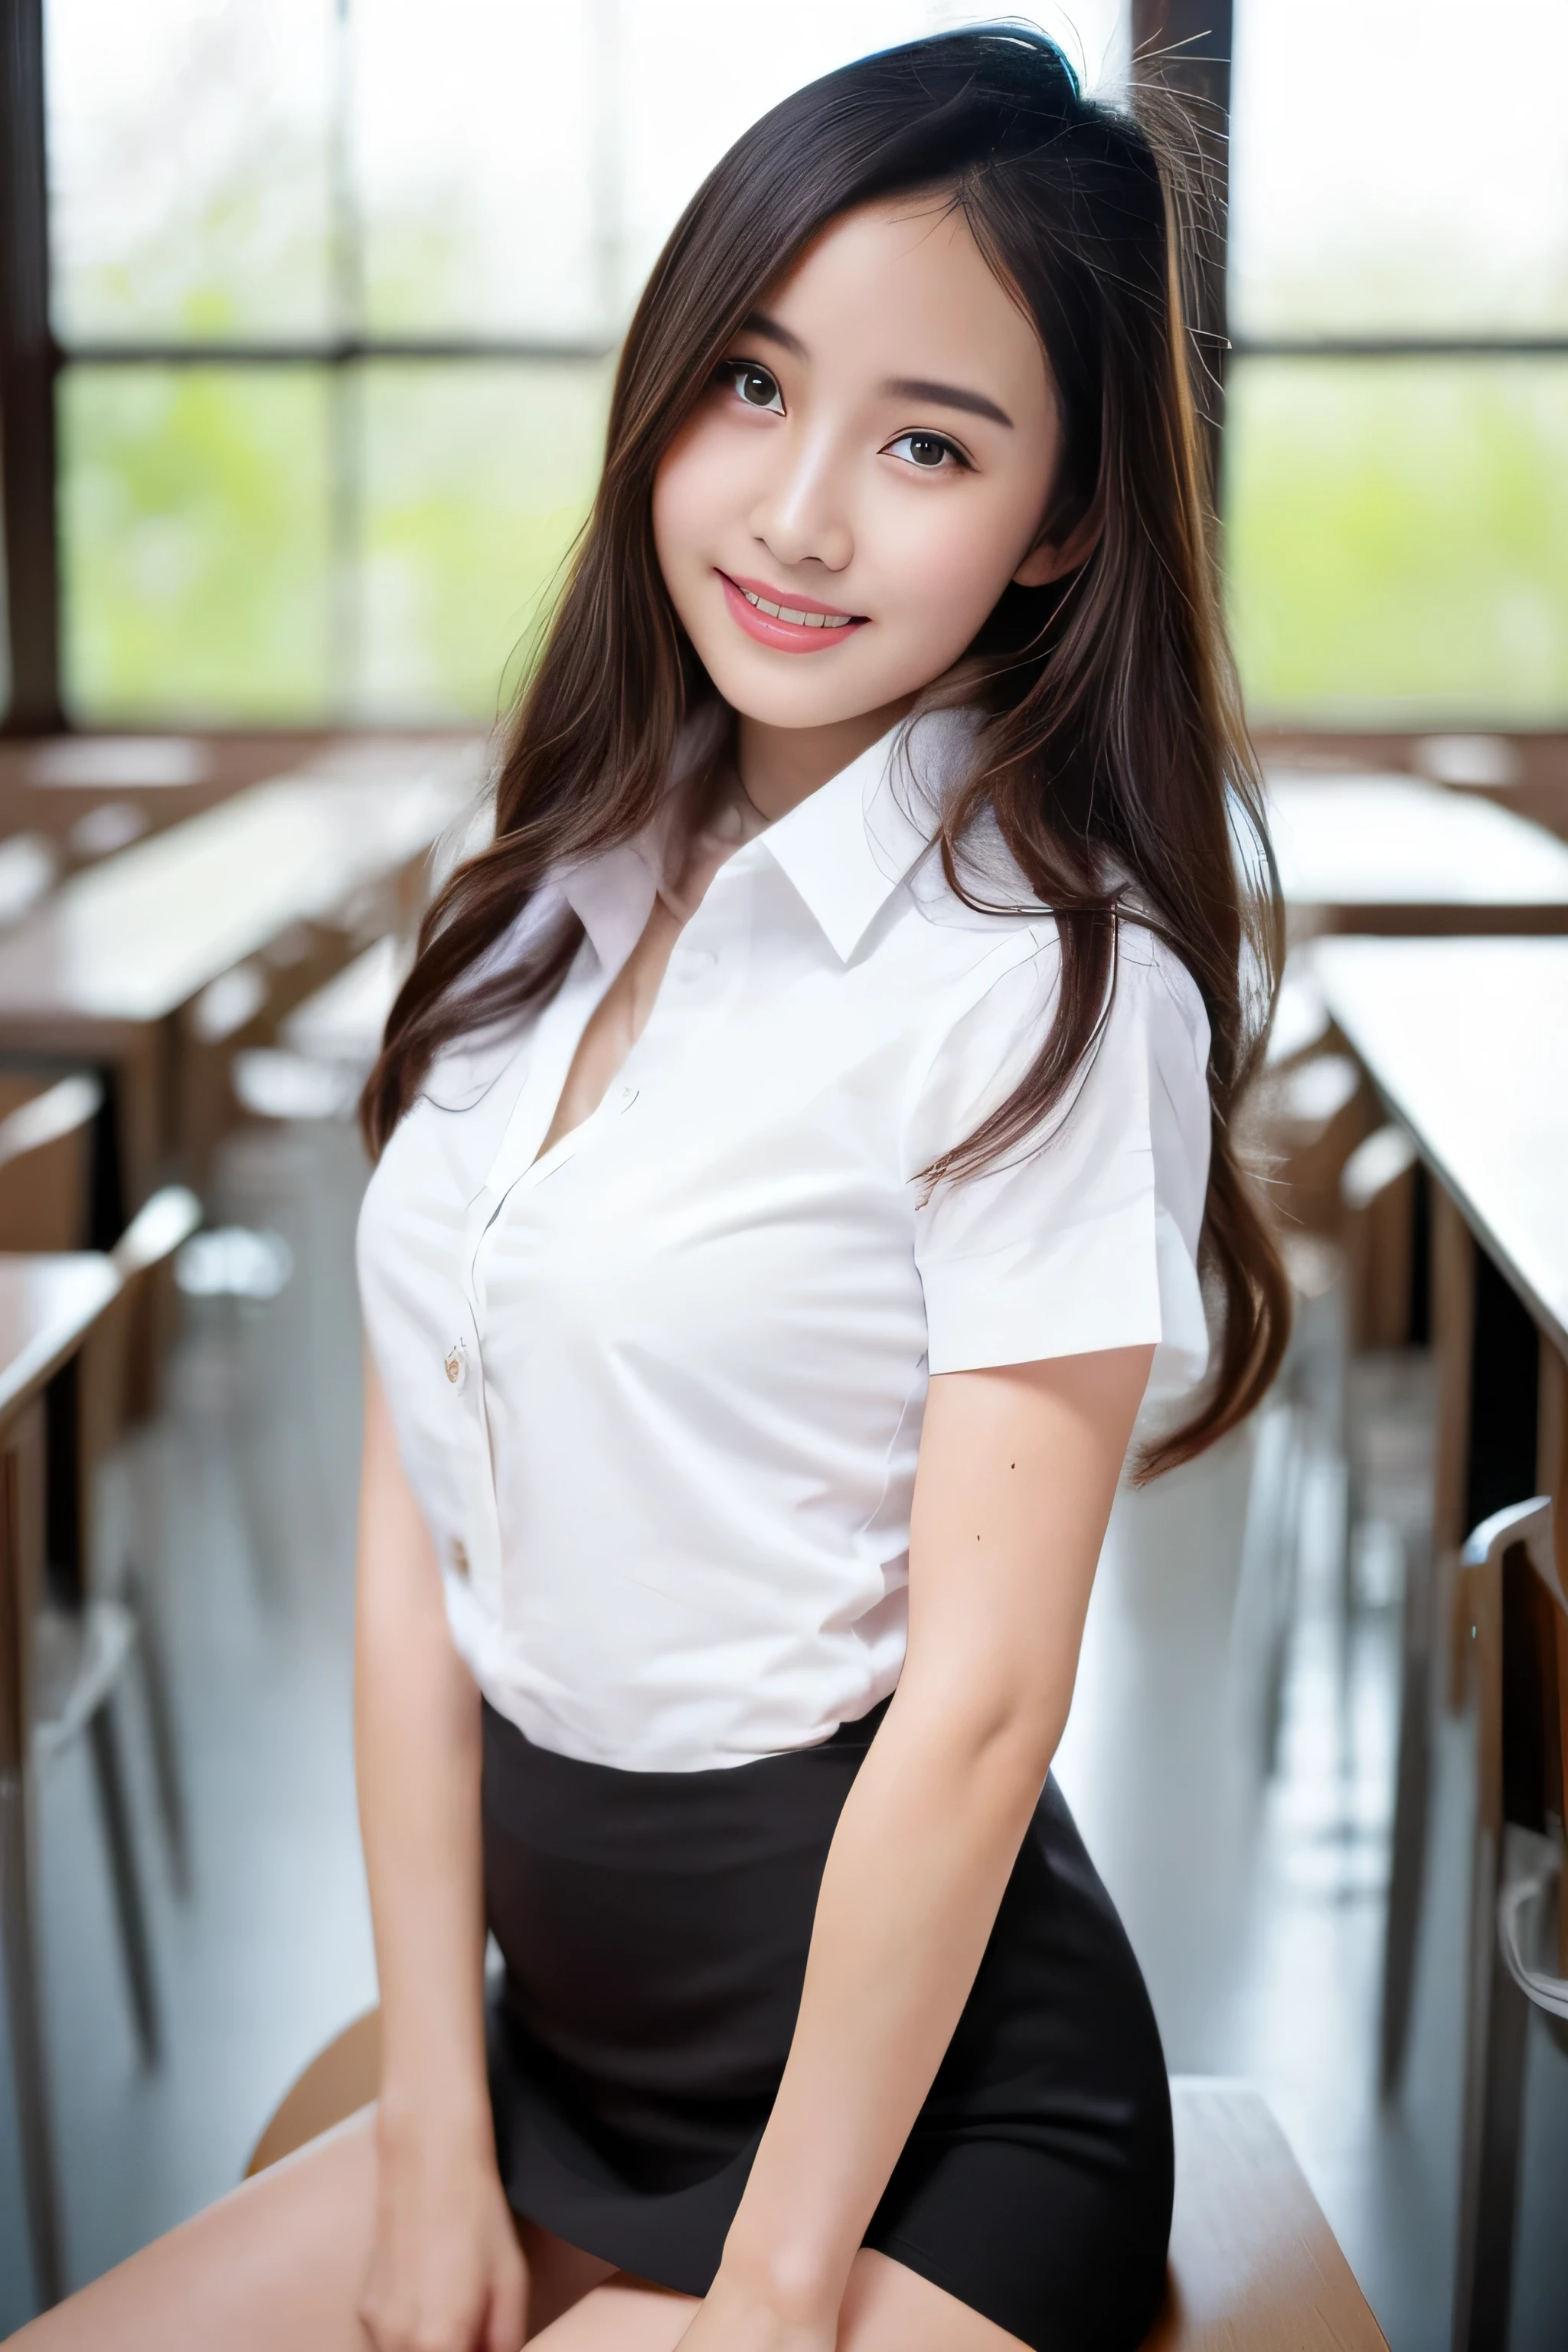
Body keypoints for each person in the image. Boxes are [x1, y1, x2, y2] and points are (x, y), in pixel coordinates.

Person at [12, 26, 1288, 2352]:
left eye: (928, 443)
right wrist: (427, 2129)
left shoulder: (1048, 986)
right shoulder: (521, 895)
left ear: (1065, 523)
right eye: (749, 384)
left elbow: (988, 1709)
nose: (802, 513)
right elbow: (420, 1543)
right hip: (557, 2049)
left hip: (922, 2125)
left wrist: (771, 2293)